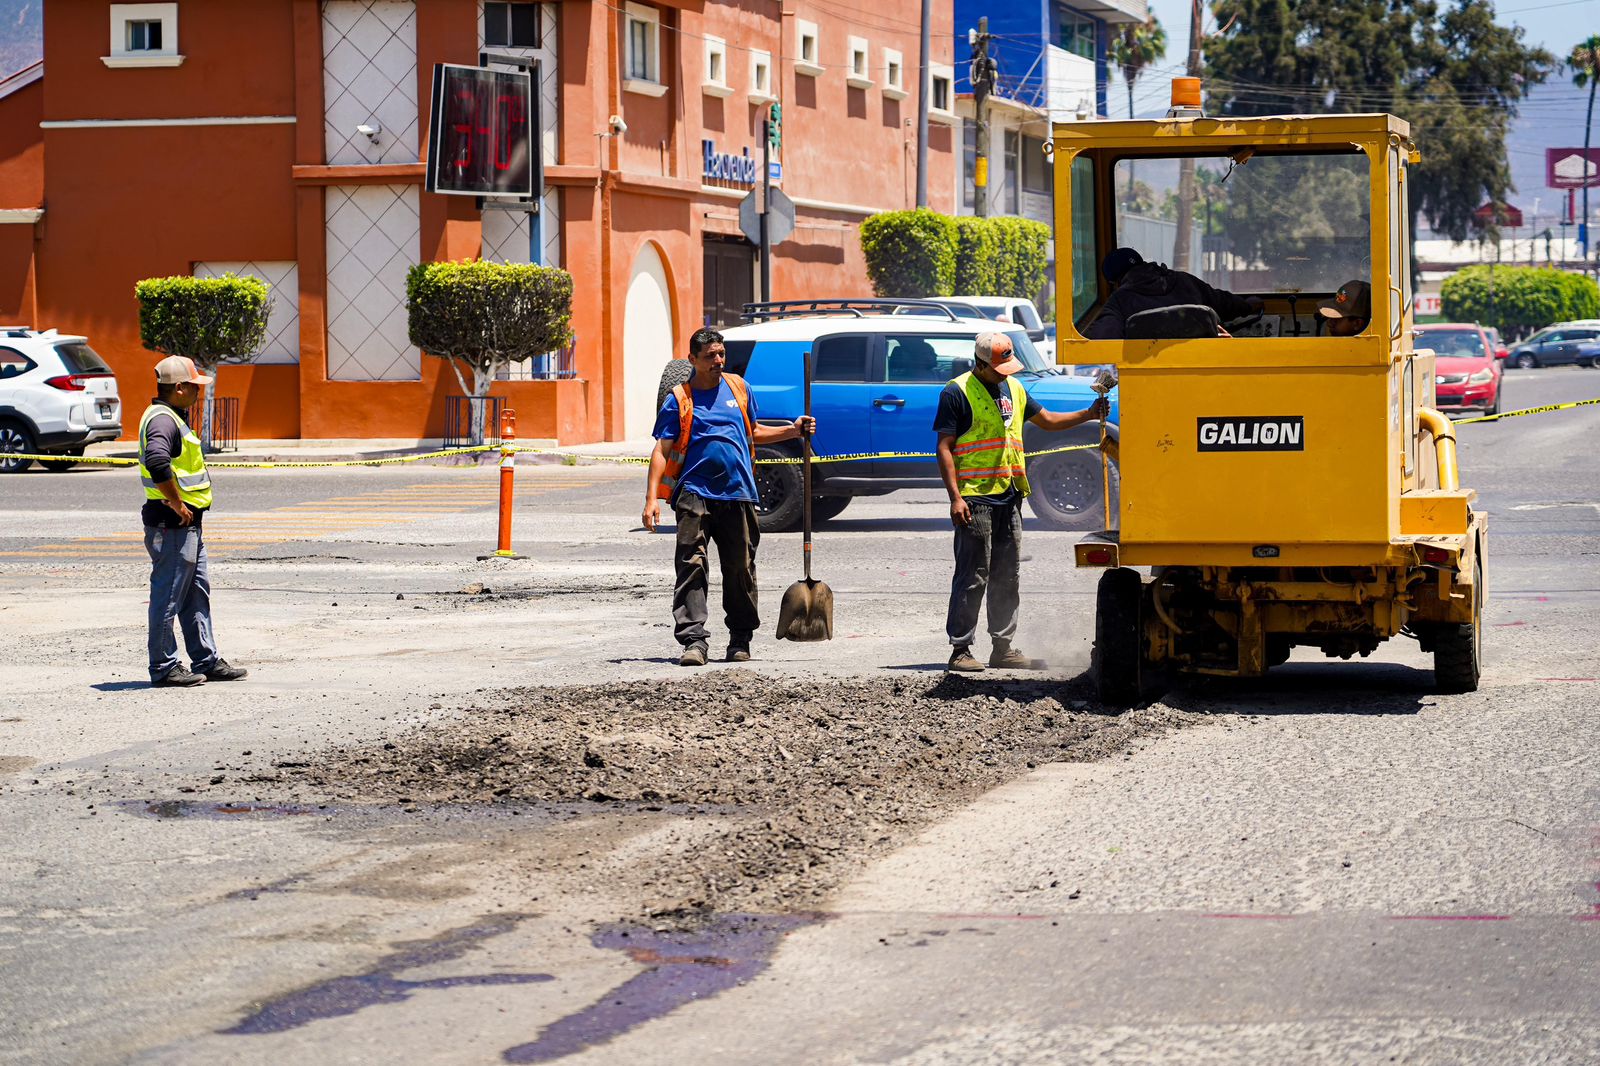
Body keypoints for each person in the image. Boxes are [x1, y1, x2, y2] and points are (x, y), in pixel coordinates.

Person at [935, 332, 1109, 673]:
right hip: (975, 497)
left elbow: (1047, 421)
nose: (1005, 373)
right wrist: (955, 498)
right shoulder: (956, 391)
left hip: (1010, 494)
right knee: (973, 575)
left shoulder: (1013, 388)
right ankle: (960, 649)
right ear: (981, 363)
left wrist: (1089, 413)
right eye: (999, 368)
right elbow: (944, 446)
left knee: (1006, 575)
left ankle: (1003, 647)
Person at [643, 328, 815, 667]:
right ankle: (694, 641)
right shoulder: (678, 398)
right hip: (694, 493)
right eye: (710, 356)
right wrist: (650, 499)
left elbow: (754, 431)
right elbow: (661, 449)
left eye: (721, 354)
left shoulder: (739, 387)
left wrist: (793, 429)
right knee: (691, 565)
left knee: (740, 569)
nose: (718, 360)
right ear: (692, 359)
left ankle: (740, 639)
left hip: (738, 492)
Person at [138, 356, 248, 687]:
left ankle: (206, 660)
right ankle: (163, 666)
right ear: (179, 388)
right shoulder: (163, 421)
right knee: (168, 596)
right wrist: (175, 502)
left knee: (195, 594)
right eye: (195, 387)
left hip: (187, 526)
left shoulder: (173, 417)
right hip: (171, 525)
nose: (198, 393)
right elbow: (158, 461)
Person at [1085, 247, 1262, 339]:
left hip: (1150, 382)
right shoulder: (1185, 281)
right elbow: (1224, 302)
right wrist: (1250, 305)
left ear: (1115, 282)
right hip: (1204, 373)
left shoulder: (1119, 301)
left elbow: (1105, 338)